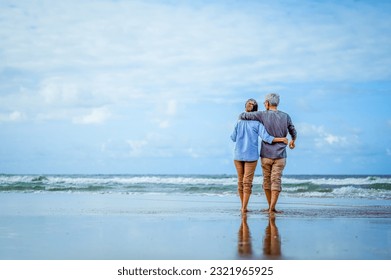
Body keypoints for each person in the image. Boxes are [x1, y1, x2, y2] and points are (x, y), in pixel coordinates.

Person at [240, 93, 297, 213]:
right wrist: (293, 141)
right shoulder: (286, 116)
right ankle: (272, 208)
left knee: (267, 179)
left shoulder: (262, 115)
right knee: (276, 180)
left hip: (266, 154)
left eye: (264, 103)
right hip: (281, 155)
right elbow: (293, 130)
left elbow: (242, 116)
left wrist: (249, 107)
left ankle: (269, 206)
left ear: (267, 103)